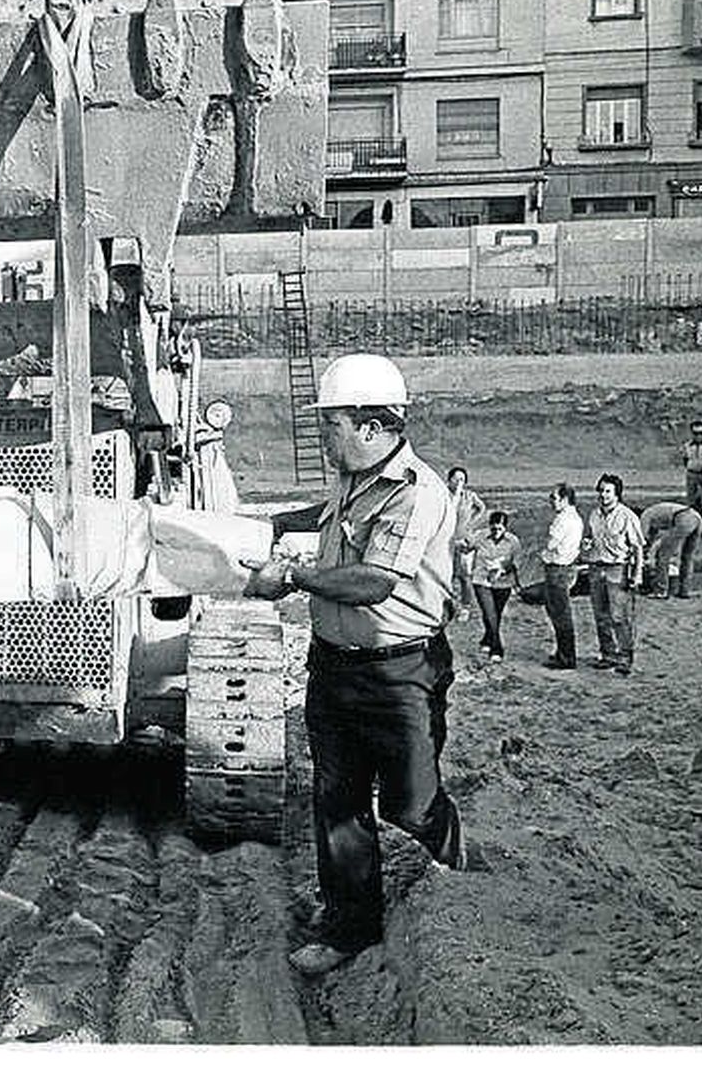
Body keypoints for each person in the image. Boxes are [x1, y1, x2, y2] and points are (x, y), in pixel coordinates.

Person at [242, 353, 464, 975]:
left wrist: (290, 576)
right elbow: (326, 518)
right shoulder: (354, 477)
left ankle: (456, 881)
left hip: (399, 674)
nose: (325, 434)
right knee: (337, 799)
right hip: (334, 666)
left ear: (371, 426)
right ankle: (349, 925)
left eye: (332, 423)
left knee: (411, 803)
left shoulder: (416, 494)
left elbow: (373, 581)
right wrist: (263, 526)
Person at [583, 474, 644, 676]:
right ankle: (607, 655)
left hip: (618, 569)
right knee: (600, 615)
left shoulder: (627, 516)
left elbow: (637, 549)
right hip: (595, 567)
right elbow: (590, 538)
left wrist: (636, 575)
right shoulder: (593, 515)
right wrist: (587, 543)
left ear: (617, 494)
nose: (603, 495)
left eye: (607, 491)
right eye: (600, 490)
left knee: (619, 617)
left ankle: (625, 658)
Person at [461, 510, 521, 662]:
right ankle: (497, 648)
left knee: (496, 615)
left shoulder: (513, 541)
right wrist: (463, 543)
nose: (496, 532)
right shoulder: (481, 536)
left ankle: (487, 638)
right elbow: (467, 547)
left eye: (500, 529)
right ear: (489, 526)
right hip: (481, 580)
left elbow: (517, 563)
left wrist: (501, 570)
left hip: (503, 583)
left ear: (505, 528)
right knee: (489, 613)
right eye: (494, 528)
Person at [539, 483, 583, 671]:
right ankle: (563, 654)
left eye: (554, 498)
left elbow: (550, 544)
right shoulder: (575, 517)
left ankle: (566, 658)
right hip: (566, 568)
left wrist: (544, 552)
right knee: (560, 613)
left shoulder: (563, 520)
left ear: (565, 500)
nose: (551, 502)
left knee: (560, 615)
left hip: (558, 569)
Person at [446, 466, 487, 621]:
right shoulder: (442, 494)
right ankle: (447, 605)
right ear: (449, 480)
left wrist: (471, 524)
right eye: (455, 479)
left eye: (462, 479)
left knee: (465, 576)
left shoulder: (469, 496)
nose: (458, 482)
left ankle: (465, 607)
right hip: (445, 540)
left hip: (464, 540)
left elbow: (482, 508)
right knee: (446, 574)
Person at [639, 500, 702, 600]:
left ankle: (661, 591)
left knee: (662, 555)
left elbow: (642, 540)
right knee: (687, 557)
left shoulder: (645, 516)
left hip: (683, 518)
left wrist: (642, 555)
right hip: (698, 519)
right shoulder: (656, 513)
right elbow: (651, 539)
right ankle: (684, 591)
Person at [683, 421, 702, 527]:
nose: (698, 436)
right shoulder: (687, 446)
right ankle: (693, 524)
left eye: (700, 433)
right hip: (691, 474)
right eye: (695, 433)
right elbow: (685, 460)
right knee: (691, 500)